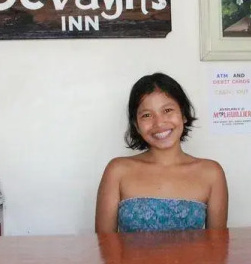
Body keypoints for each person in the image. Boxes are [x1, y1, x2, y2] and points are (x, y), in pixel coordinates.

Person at [95, 73, 228, 233]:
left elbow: (216, 244)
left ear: (183, 114)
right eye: (147, 115)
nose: (159, 123)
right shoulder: (117, 171)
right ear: (136, 125)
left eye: (167, 110)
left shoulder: (211, 173)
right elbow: (104, 244)